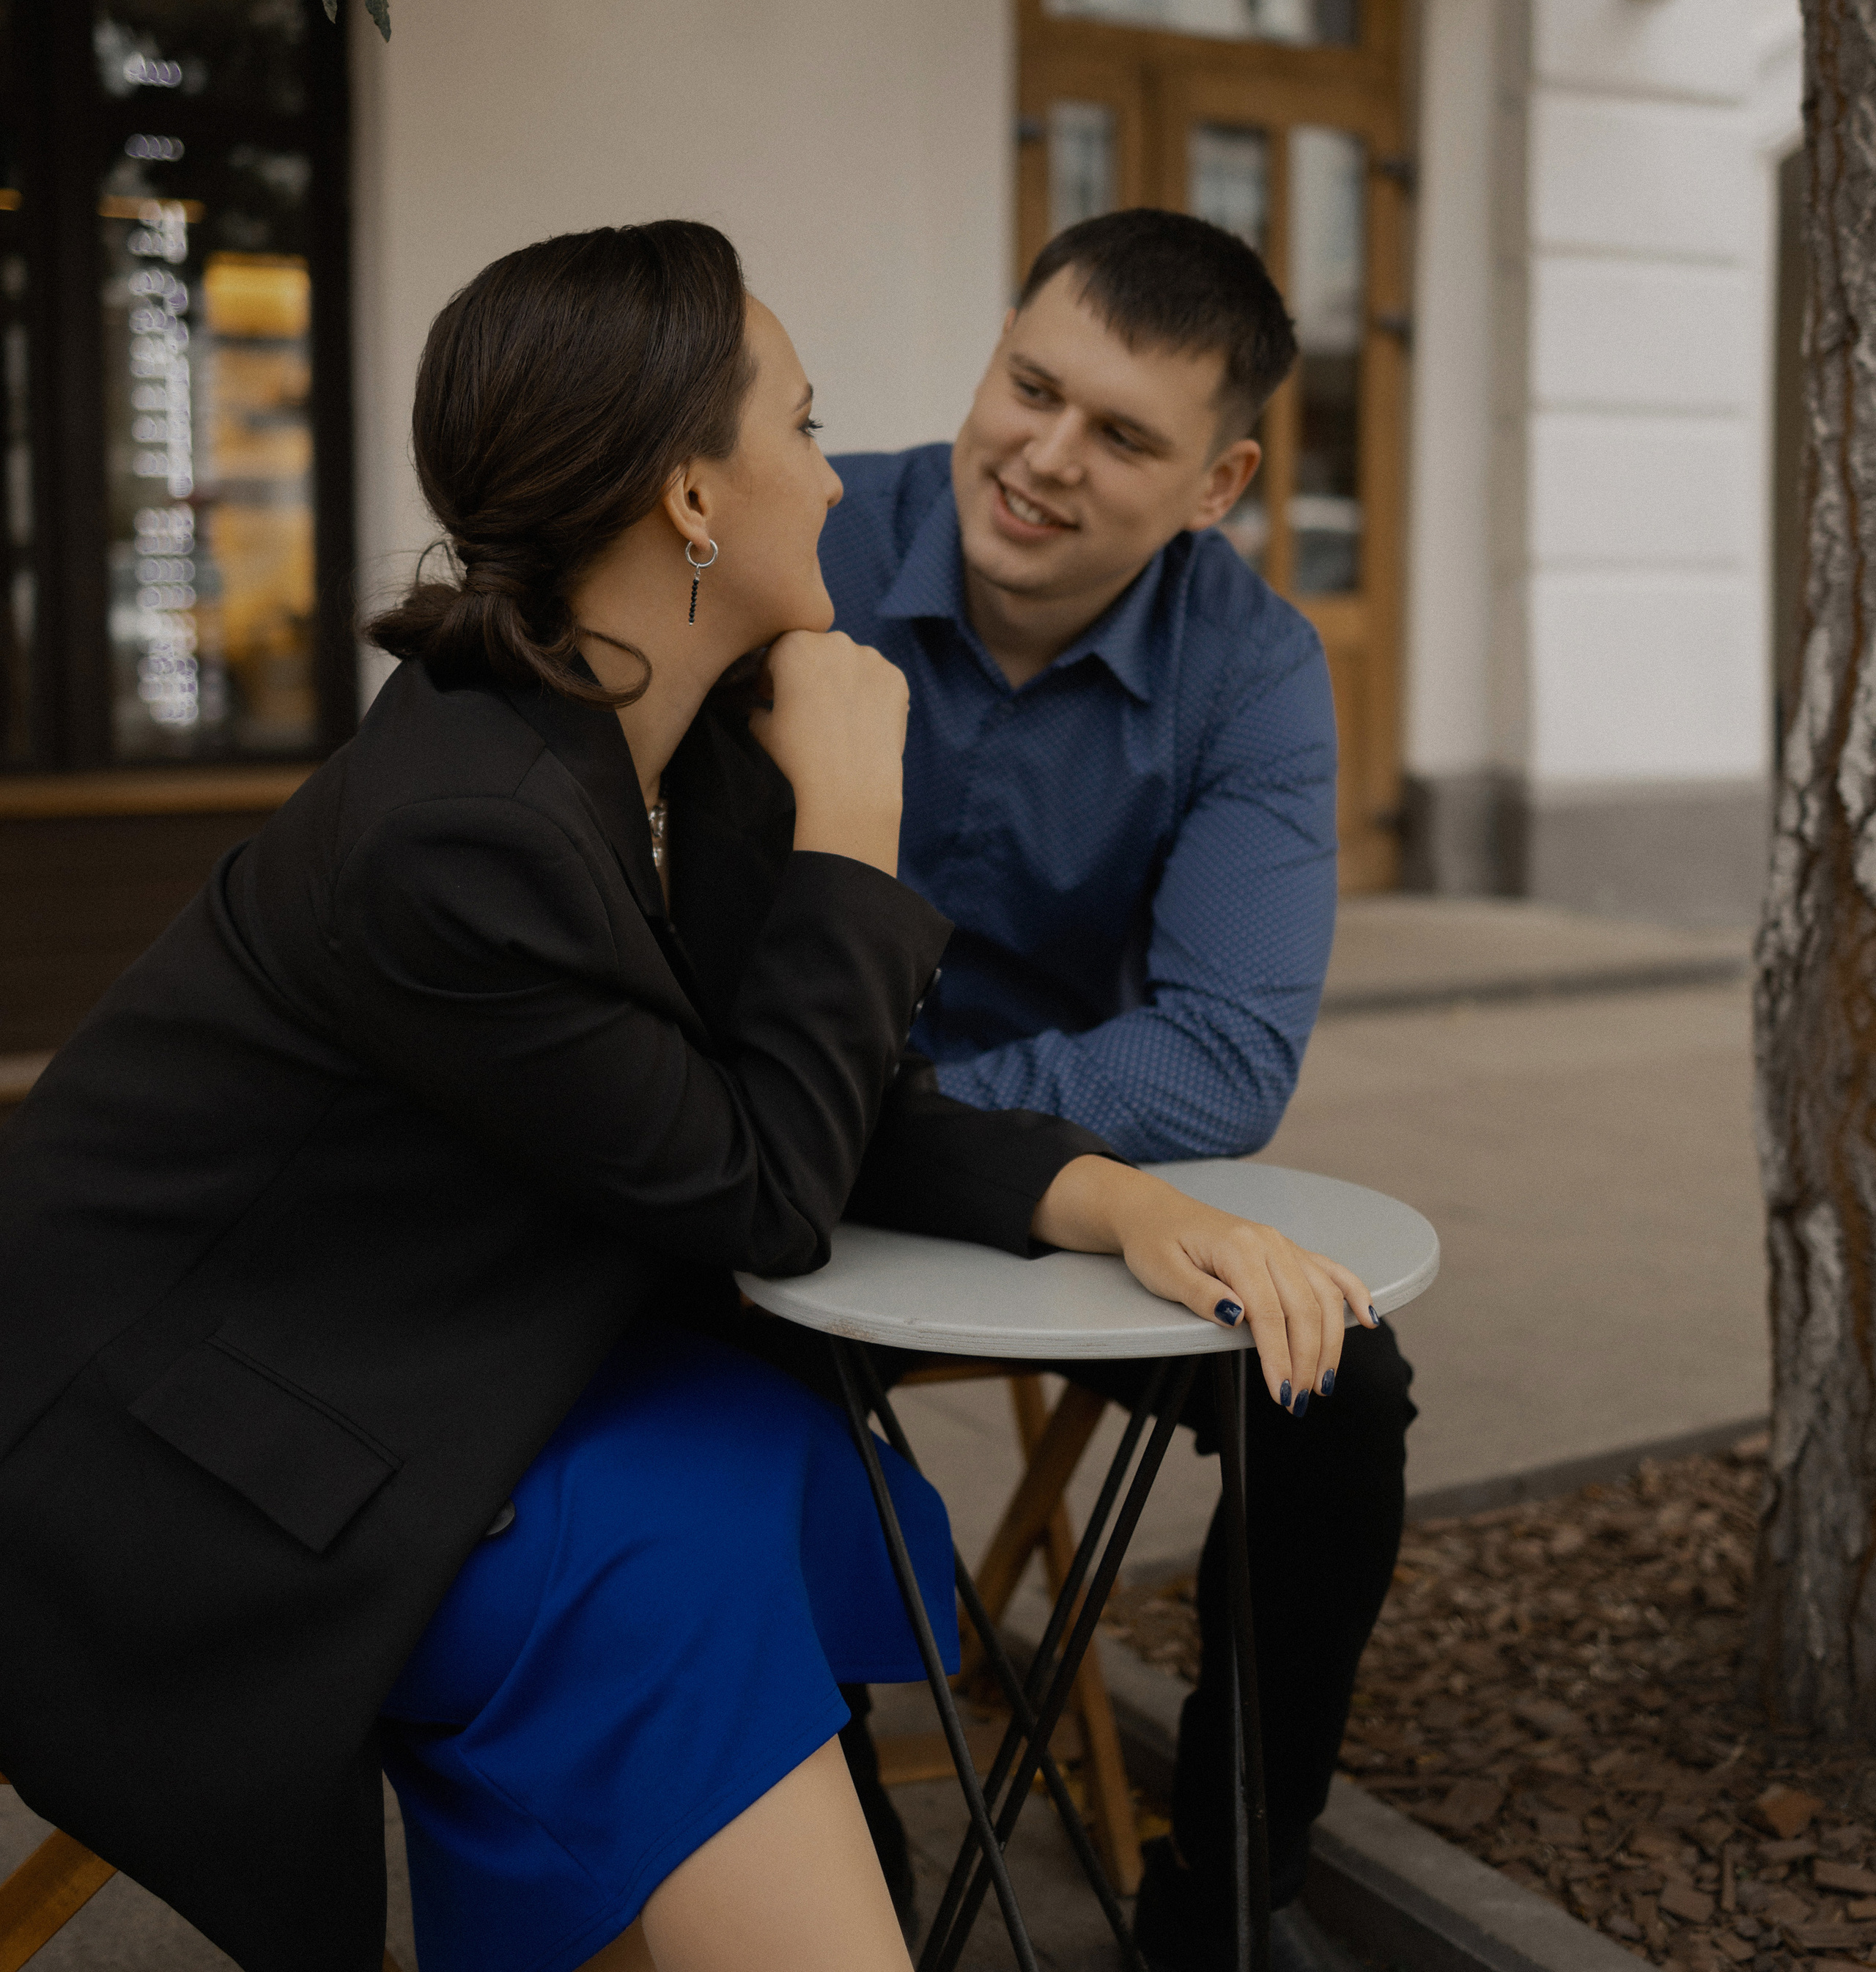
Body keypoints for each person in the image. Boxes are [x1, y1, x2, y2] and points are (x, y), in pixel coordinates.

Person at [0, 219, 1378, 1972]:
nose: (844, 481)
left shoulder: (666, 740)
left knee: (778, 1458)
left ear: (1215, 480)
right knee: (713, 1498)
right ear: (690, 504)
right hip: (221, 1441)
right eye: (805, 430)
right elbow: (761, 1187)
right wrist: (856, 822)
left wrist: (1132, 1202)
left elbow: (824, 1098)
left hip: (453, 1336)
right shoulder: (468, 825)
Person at [813, 208, 1418, 1972]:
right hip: (769, 1169)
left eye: (1123, 438)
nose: (1042, 458)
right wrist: (822, 1121)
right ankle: (832, 1876)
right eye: (1029, 387)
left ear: (1218, 479)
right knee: (721, 1392)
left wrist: (914, 1122)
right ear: (998, 347)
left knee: (1340, 1393)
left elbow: (1228, 1050)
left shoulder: (1248, 666)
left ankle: (1225, 1896)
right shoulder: (815, 543)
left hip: (1047, 1194)